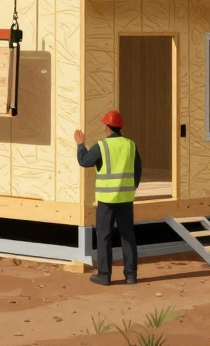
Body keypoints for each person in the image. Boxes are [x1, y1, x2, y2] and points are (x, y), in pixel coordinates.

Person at [74, 110, 142, 286]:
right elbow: (138, 171)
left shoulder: (102, 146)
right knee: (128, 236)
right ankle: (131, 275)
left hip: (106, 200)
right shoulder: (130, 145)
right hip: (125, 199)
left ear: (106, 126)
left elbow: (85, 161)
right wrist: (130, 188)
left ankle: (104, 276)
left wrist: (81, 145)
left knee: (104, 237)